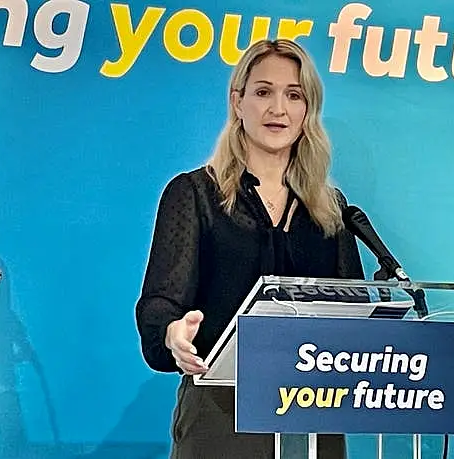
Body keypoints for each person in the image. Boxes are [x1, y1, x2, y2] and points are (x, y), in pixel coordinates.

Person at [134, 38, 364, 459]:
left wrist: (431, 364)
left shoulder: (332, 210)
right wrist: (173, 333)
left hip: (313, 412)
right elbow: (160, 303)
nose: (278, 108)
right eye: (263, 92)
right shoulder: (195, 194)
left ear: (307, 110)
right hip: (222, 412)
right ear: (237, 102)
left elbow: (357, 312)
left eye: (293, 95)